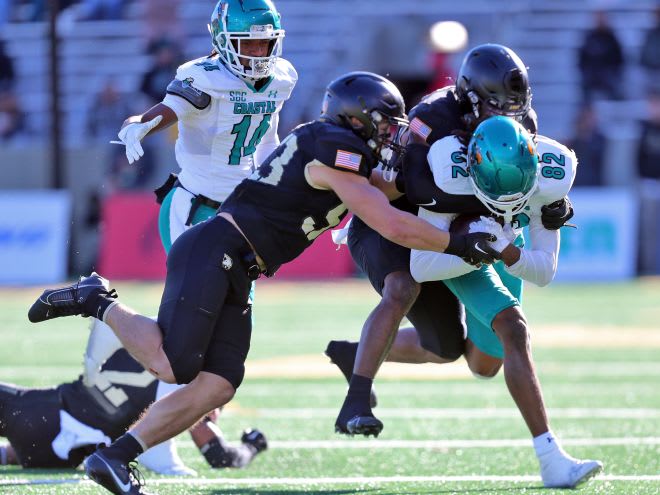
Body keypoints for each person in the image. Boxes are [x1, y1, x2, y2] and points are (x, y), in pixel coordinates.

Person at [28, 71, 499, 495]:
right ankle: (98, 299)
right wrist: (458, 243)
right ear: (355, 121)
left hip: (241, 263)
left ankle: (113, 458)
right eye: (382, 122)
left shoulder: (340, 151)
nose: (389, 132)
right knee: (174, 364)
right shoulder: (334, 149)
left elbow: (392, 187)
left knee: (219, 384)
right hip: (216, 250)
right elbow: (390, 222)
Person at [328, 43, 574, 437]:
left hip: (463, 231)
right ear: (471, 97)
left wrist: (546, 206)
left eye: (514, 106)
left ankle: (354, 353)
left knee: (453, 352)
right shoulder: (431, 119)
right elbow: (422, 190)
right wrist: (499, 216)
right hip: (403, 223)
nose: (508, 116)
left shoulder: (520, 118)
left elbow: (512, 176)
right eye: (497, 107)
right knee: (402, 287)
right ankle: (357, 399)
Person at [0, 320, 266, 473]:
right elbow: (219, 456)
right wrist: (252, 445)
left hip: (44, 415)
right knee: (23, 449)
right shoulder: (196, 385)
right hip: (62, 456)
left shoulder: (145, 328)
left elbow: (103, 324)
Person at [577, 10, 624, 102]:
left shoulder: (612, 39)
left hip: (609, 78)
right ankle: (587, 113)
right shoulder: (589, 38)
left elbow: (619, 60)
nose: (600, 20)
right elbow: (582, 60)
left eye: (602, 18)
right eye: (598, 18)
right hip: (591, 78)